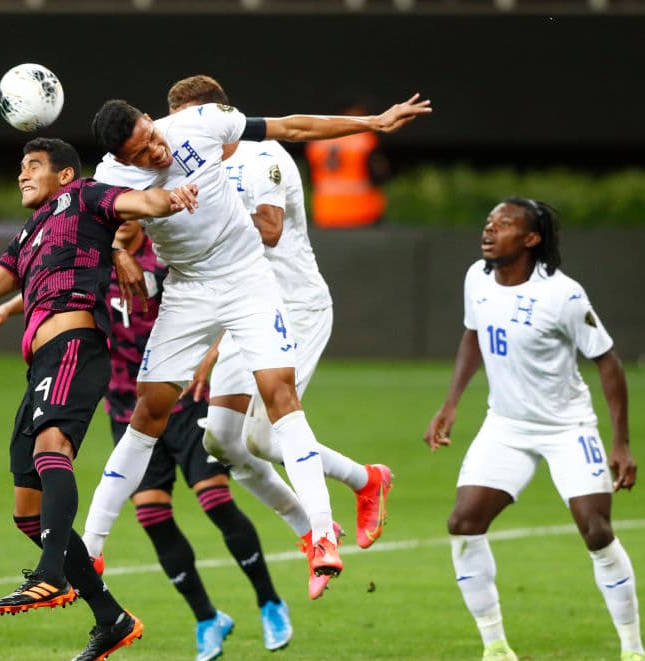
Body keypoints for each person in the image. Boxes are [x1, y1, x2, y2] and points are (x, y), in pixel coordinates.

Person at [81, 90, 431, 599]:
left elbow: (293, 126)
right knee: (156, 416)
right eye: (141, 151)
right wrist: (117, 248)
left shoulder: (203, 126)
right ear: (120, 157)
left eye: (153, 135)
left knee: (278, 399)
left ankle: (322, 536)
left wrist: (373, 123)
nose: (157, 150)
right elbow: (98, 225)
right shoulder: (112, 179)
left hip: (250, 282)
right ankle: (90, 549)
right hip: (188, 291)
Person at [0, 137, 199, 661]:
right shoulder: (28, 234)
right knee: (28, 511)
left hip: (76, 345)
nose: (22, 175)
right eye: (19, 168)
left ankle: (52, 575)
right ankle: (111, 616)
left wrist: (172, 197)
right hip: (41, 365)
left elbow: (141, 203)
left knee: (55, 447)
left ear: (66, 175)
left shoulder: (89, 198)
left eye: (34, 167)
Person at [0, 219, 293, 661]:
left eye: (129, 210)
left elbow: (224, 293)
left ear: (142, 215)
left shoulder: (167, 254)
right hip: (127, 407)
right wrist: (6, 309)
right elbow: (54, 290)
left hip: (179, 397)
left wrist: (213, 352)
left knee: (213, 497)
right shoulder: (95, 257)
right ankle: (207, 618)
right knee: (152, 514)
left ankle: (269, 601)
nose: (121, 219)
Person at [166, 75, 394, 601]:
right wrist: (212, 343)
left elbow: (267, 230)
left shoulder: (263, 156)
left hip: (295, 308)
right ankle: (356, 489)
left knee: (265, 438)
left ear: (217, 116)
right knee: (221, 440)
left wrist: (188, 215)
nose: (180, 135)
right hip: (242, 311)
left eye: (188, 122)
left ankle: (330, 518)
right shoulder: (191, 164)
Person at [422, 197, 645, 661]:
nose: (489, 231)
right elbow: (472, 335)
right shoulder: (476, 278)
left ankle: (634, 656)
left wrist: (621, 443)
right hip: (505, 425)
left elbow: (607, 361)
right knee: (463, 523)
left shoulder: (564, 295)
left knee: (596, 530)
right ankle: (496, 651)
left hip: (567, 428)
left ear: (531, 240)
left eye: (503, 225)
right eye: (488, 222)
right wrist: (451, 404)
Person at [304, 96, 389, 229]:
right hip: (362, 213)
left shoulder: (317, 141)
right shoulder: (364, 140)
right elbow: (379, 175)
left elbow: (310, 178)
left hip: (326, 212)